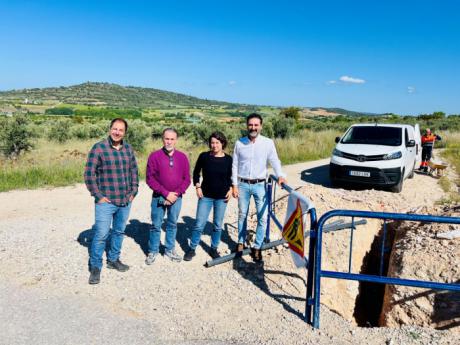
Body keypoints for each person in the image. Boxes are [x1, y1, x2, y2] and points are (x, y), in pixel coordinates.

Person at [84, 118, 139, 285]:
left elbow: (134, 172)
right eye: (114, 129)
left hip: (125, 200)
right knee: (101, 234)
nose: (117, 132)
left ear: (124, 132)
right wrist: (98, 196)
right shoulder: (99, 148)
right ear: (110, 129)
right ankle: (95, 267)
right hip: (106, 202)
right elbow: (88, 174)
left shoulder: (128, 149)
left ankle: (114, 259)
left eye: (120, 130)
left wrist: (133, 191)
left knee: (119, 231)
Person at [232, 113, 287, 262]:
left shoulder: (268, 143)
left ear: (261, 126)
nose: (253, 127)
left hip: (260, 185)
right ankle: (240, 242)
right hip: (243, 184)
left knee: (262, 217)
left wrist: (280, 175)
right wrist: (234, 185)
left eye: (256, 125)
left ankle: (257, 246)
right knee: (242, 215)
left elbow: (274, 160)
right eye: (251, 125)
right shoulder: (239, 143)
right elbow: (235, 165)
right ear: (247, 126)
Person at [184, 132, 233, 261]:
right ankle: (192, 248)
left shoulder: (228, 159)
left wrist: (231, 188)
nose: (214, 145)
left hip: (222, 197)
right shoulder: (204, 156)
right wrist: (197, 186)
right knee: (199, 224)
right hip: (205, 196)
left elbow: (231, 176)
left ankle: (213, 248)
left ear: (222, 143)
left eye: (217, 142)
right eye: (212, 143)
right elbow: (196, 172)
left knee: (217, 225)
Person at [145, 128, 191, 264]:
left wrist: (175, 194)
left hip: (176, 197)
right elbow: (150, 178)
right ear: (162, 139)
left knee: (172, 224)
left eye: (172, 139)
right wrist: (165, 194)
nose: (169, 141)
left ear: (176, 140)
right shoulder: (154, 156)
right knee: (156, 224)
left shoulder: (182, 157)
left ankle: (169, 249)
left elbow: (187, 179)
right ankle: (153, 251)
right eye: (166, 138)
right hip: (158, 196)